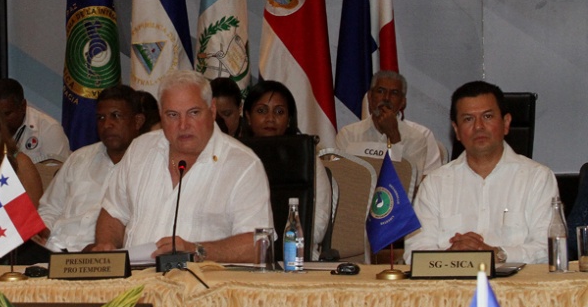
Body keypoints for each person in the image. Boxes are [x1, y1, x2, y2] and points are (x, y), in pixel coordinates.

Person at [91, 71, 273, 263]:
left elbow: (259, 245)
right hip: (136, 277)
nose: (183, 125)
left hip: (202, 278)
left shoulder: (243, 164)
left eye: (193, 113)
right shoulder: (140, 149)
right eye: (173, 115)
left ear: (212, 110)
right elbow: (113, 214)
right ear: (161, 114)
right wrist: (106, 245)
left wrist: (196, 250)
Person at [404, 81, 558, 264]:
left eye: (487, 116)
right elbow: (413, 253)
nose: (478, 126)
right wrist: (450, 256)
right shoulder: (434, 184)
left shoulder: (538, 178)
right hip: (452, 281)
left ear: (506, 123)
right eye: (468, 119)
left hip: (518, 282)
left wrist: (497, 254)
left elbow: (550, 248)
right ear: (456, 130)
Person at [35, 85, 145, 254]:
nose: (107, 124)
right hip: (52, 250)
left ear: (137, 121)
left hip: (102, 257)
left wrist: (102, 246)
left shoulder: (147, 167)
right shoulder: (79, 158)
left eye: (116, 116)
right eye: (101, 118)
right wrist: (41, 232)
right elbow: (49, 208)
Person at [241, 80, 333, 260]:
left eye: (279, 112)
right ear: (248, 117)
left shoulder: (308, 160)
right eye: (261, 111)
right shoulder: (234, 157)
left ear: (289, 119)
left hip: (297, 257)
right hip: (244, 256)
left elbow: (317, 226)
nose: (270, 118)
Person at [335, 71, 443, 180]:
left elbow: (408, 183)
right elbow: (339, 179)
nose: (386, 98)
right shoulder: (348, 135)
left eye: (394, 93)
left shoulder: (416, 138)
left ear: (402, 102)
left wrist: (394, 135)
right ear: (370, 97)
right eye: (380, 91)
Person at [0, 78, 71, 163]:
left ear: (23, 106)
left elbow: (59, 170)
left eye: (7, 114)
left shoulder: (49, 129)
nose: (0, 120)